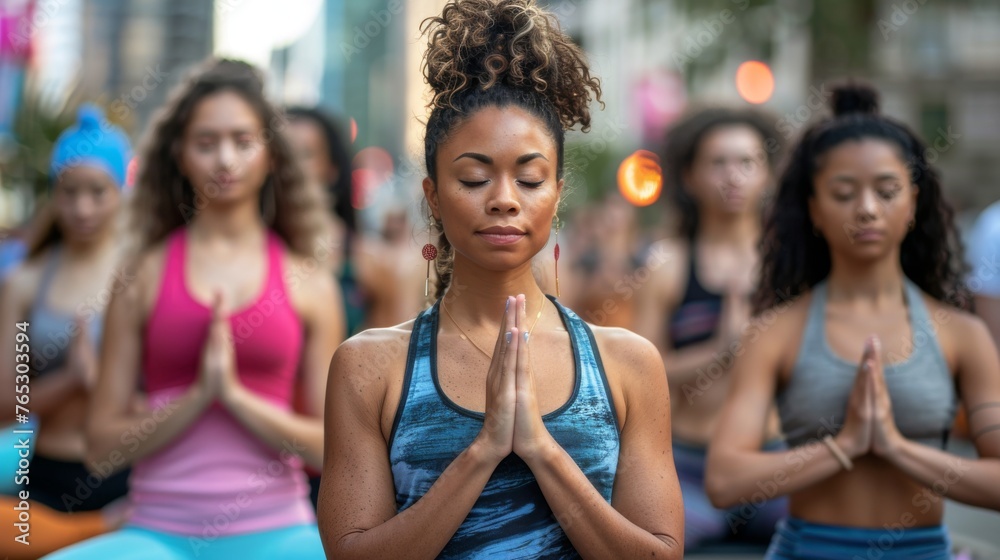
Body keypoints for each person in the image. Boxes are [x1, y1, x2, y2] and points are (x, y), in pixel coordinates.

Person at [317, 1, 684, 558]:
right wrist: (483, 450)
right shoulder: (369, 366)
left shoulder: (627, 363)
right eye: (474, 177)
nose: (504, 200)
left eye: (530, 179)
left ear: (557, 193)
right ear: (434, 196)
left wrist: (542, 449)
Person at [44, 59, 343, 560]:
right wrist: (195, 398)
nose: (225, 159)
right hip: (154, 535)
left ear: (269, 153)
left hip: (280, 534)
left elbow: (334, 449)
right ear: (179, 154)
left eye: (242, 141)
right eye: (206, 142)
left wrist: (234, 397)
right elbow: (99, 448)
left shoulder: (311, 283)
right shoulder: (140, 276)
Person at [705, 82, 1000, 559]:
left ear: (913, 203)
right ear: (814, 209)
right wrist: (842, 445)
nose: (866, 209)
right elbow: (724, 480)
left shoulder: (961, 334)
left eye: (887, 191)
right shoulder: (777, 332)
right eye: (844, 192)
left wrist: (897, 447)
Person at [634, 106, 786, 551]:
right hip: (688, 466)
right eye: (717, 163)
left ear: (768, 175)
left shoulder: (790, 266)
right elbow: (641, 373)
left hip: (771, 463)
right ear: (689, 177)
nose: (732, 176)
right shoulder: (667, 264)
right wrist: (723, 349)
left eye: (747, 162)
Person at [0, 105, 133, 559]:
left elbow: (169, 398)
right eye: (69, 192)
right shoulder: (25, 283)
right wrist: (71, 380)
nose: (82, 208)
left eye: (98, 192)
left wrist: (105, 386)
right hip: (46, 476)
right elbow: (7, 403)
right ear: (53, 194)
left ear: (122, 191)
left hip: (127, 475)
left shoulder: (143, 277)